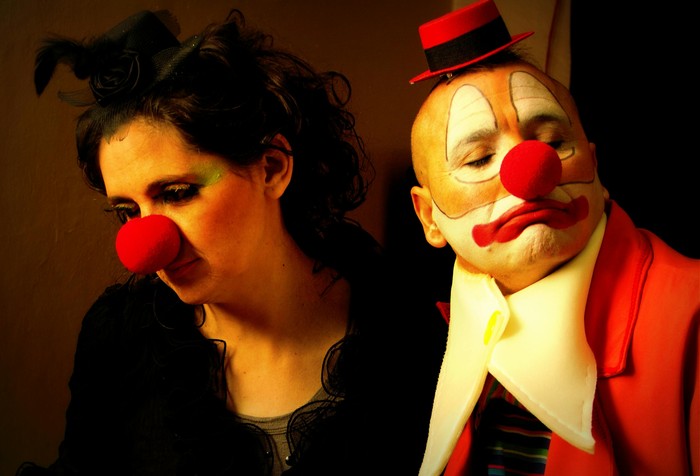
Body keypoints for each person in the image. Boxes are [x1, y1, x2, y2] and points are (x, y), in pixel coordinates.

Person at [18, 9, 446, 475]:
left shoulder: (408, 330)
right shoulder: (118, 340)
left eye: (177, 193)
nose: (146, 246)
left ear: (272, 168)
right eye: (128, 211)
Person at [407, 0, 700, 475]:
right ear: (428, 218)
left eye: (552, 143)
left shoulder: (694, 312)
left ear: (594, 164)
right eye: (479, 159)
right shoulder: (413, 348)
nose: (530, 173)